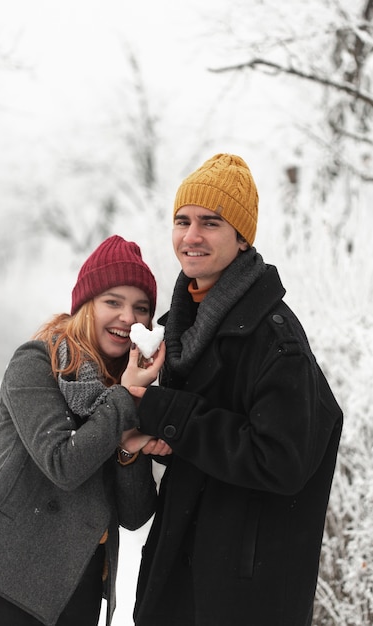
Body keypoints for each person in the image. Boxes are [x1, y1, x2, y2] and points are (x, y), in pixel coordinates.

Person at [126, 154, 343, 626]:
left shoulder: (275, 340)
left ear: (242, 237)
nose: (191, 236)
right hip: (183, 576)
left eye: (211, 222)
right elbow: (212, 444)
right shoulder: (184, 328)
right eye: (182, 221)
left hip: (242, 597)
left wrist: (171, 415)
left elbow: (280, 459)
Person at [0, 235, 168, 626]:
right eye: (112, 302)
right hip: (3, 575)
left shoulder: (125, 390)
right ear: (86, 305)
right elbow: (63, 463)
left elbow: (136, 514)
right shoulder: (36, 363)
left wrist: (127, 450)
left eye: (141, 308)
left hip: (77, 582)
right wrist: (123, 400)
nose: (128, 317)